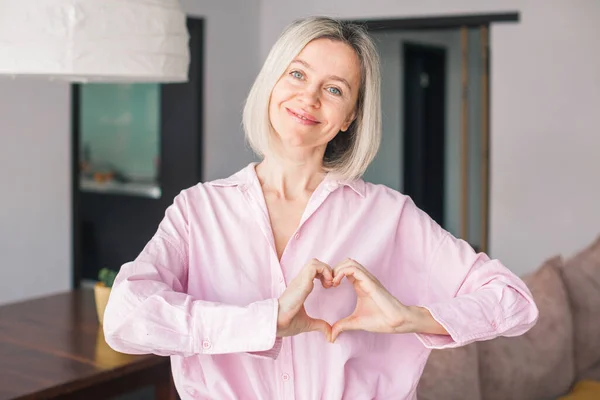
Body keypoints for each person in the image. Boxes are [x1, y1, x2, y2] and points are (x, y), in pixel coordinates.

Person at [103, 16, 539, 400]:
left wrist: (412, 319)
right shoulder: (199, 211)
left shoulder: (390, 215)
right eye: (297, 74)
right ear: (272, 83)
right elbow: (125, 318)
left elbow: (514, 301)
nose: (309, 98)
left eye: (334, 89)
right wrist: (264, 321)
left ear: (350, 116)